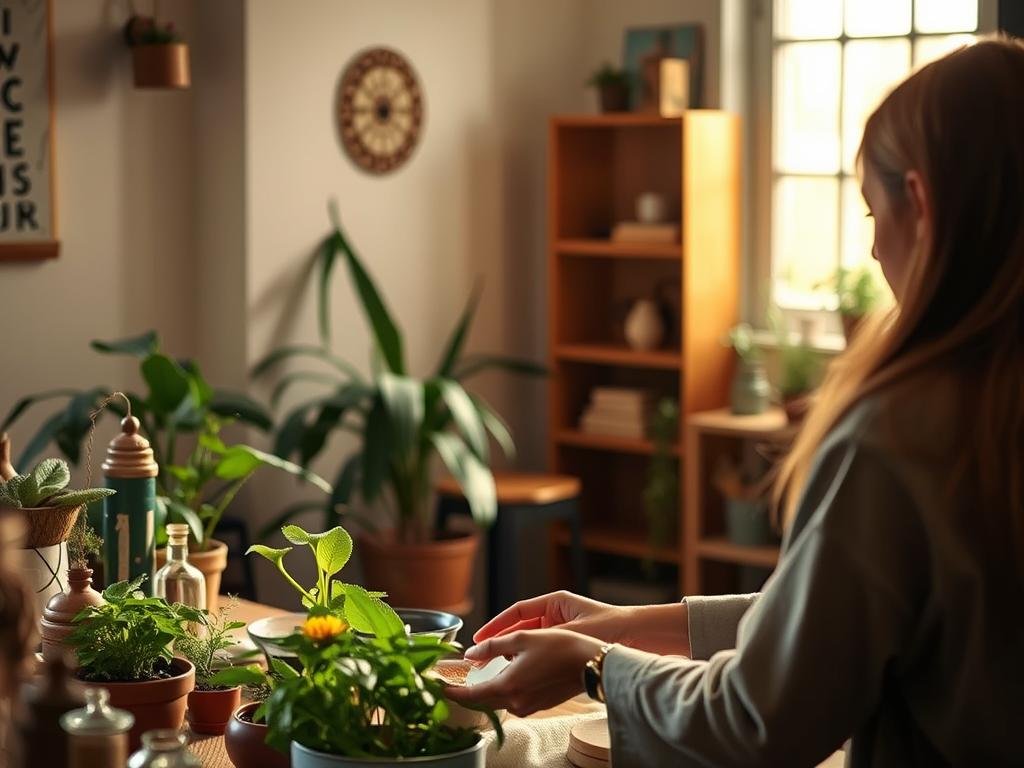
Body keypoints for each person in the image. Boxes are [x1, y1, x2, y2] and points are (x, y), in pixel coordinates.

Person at [446, 37, 1024, 767]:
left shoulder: (897, 437)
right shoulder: (987, 416)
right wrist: (624, 625)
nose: (875, 255)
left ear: (920, 202)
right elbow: (834, 625)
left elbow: (761, 719)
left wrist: (594, 666)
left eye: (875, 218)